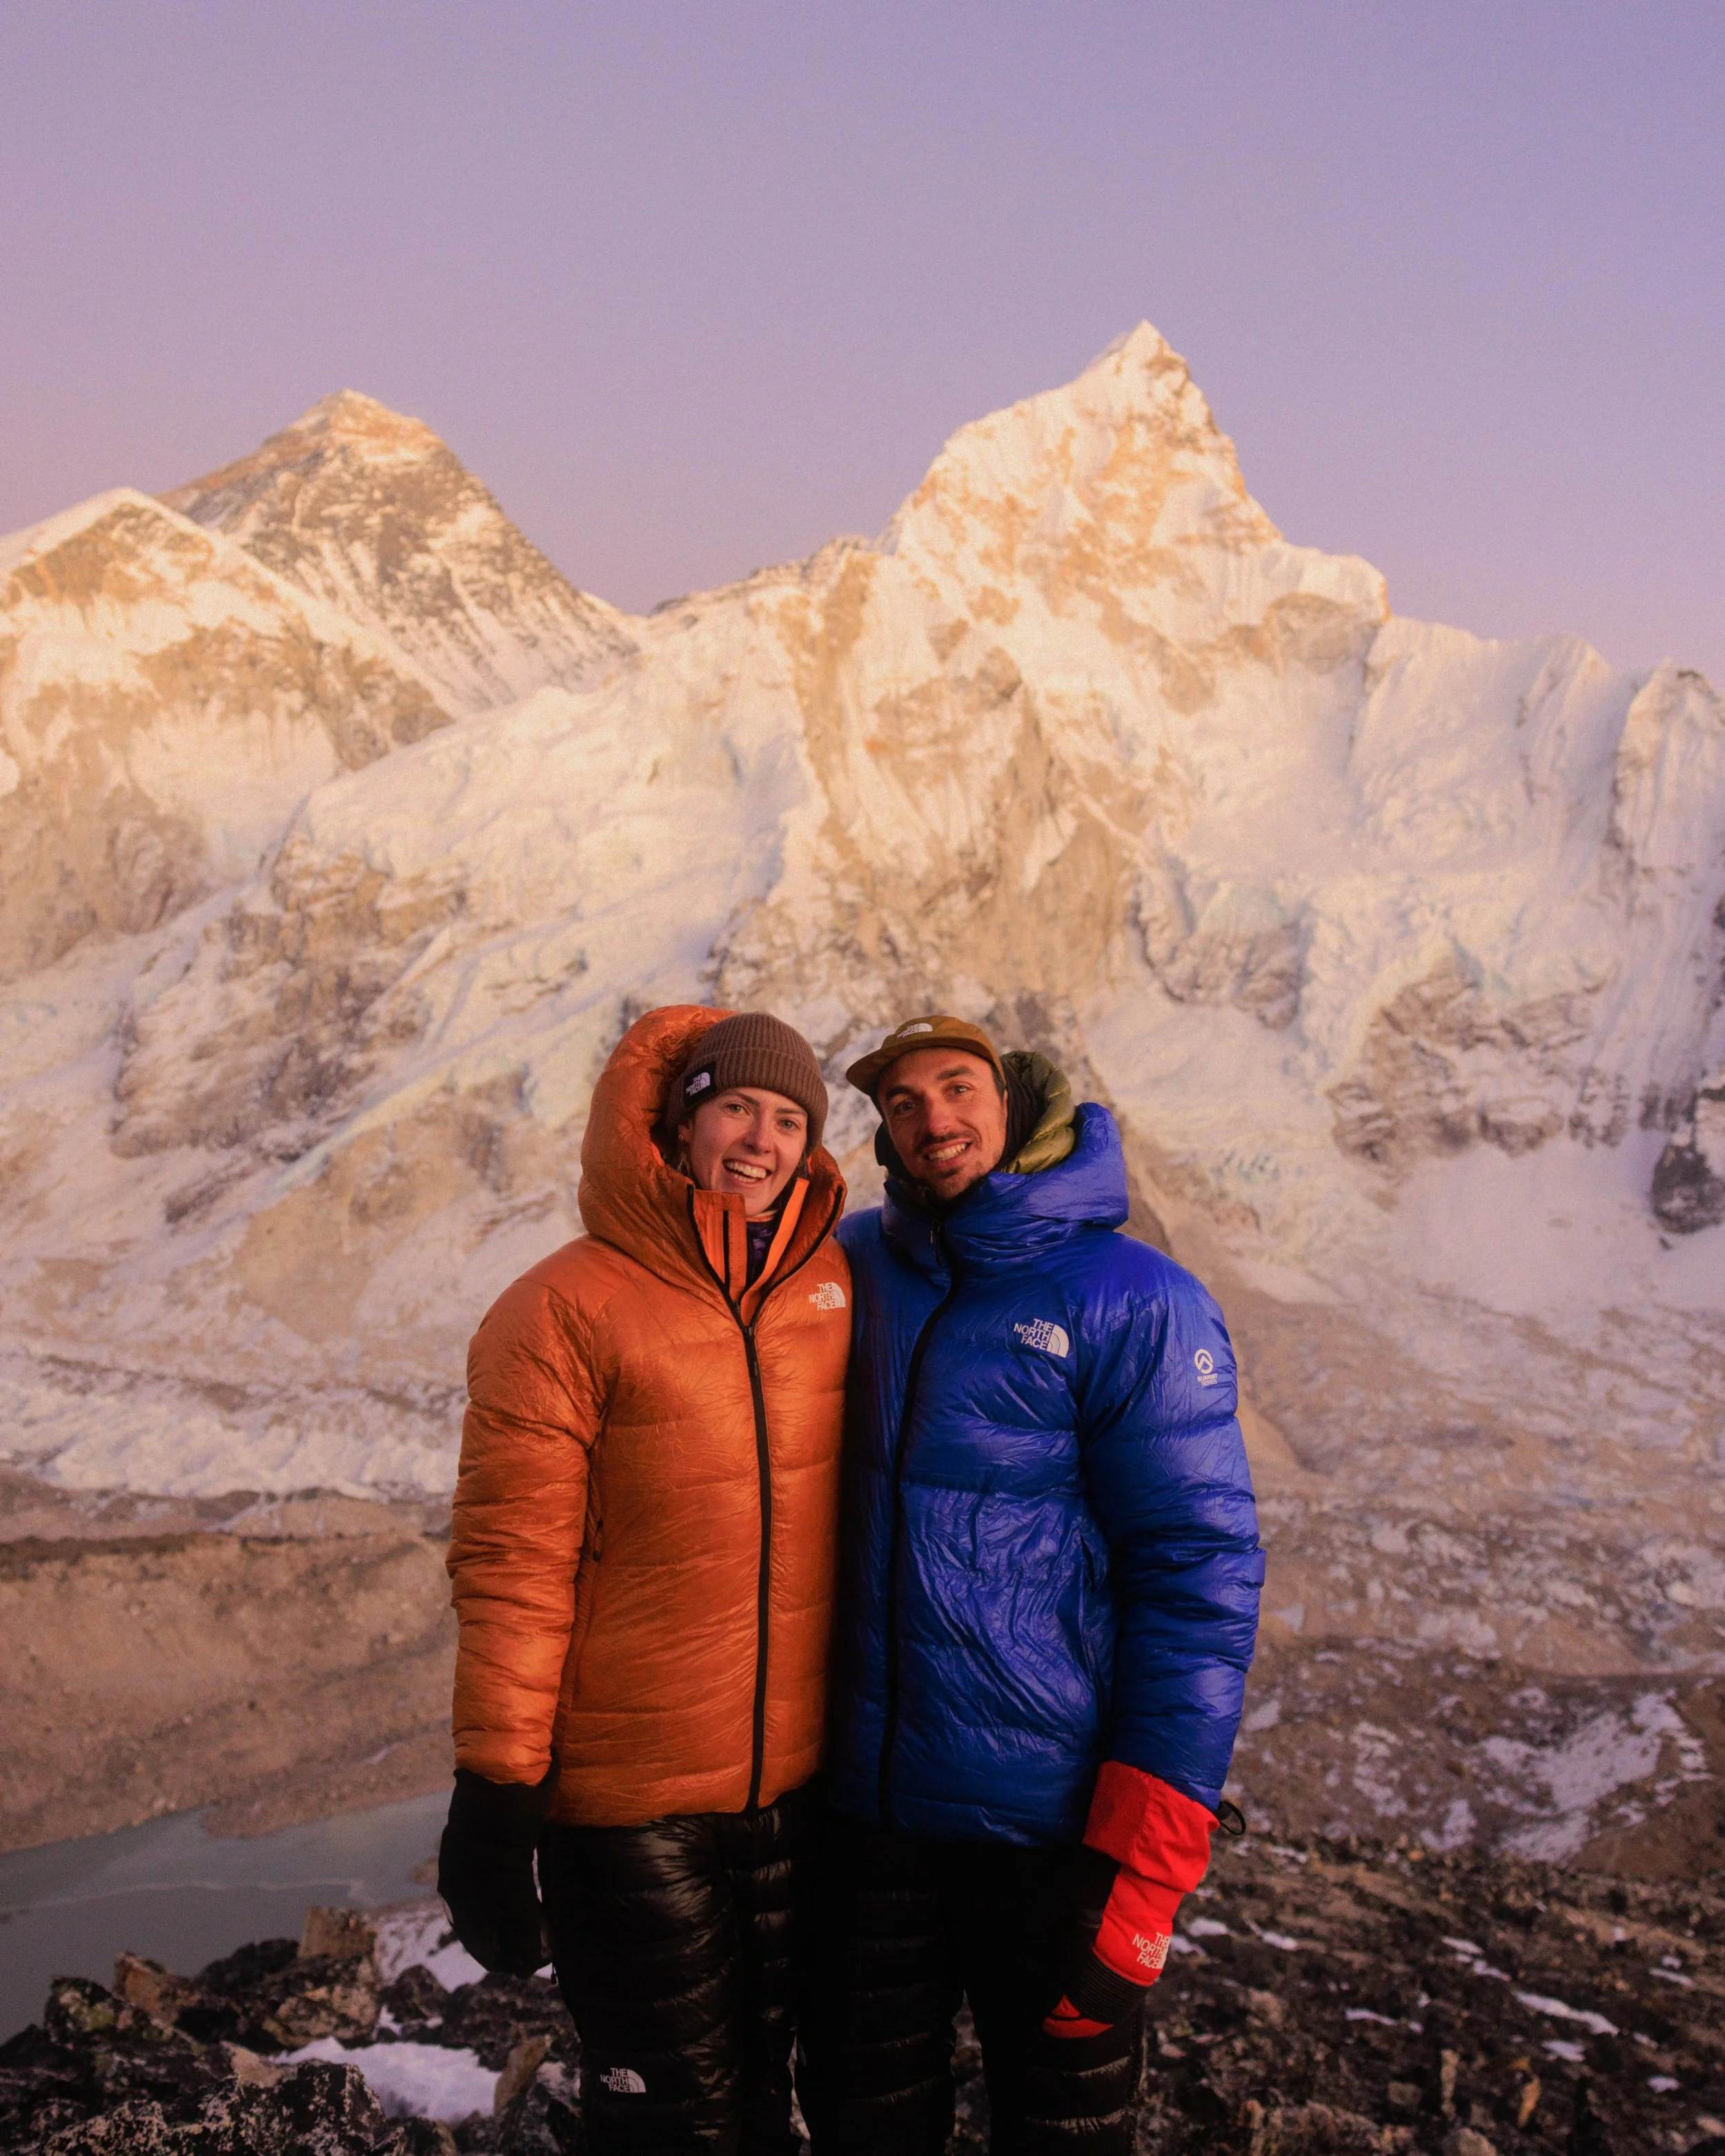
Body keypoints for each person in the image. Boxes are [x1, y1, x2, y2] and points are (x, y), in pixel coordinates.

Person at [798, 1016, 1263, 2156]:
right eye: (901, 1104)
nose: (931, 1119)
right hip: (869, 1827)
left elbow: (1197, 1573)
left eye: (956, 1088)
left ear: (1015, 1104)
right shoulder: (856, 1268)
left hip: (1049, 1836)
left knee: (1063, 2134)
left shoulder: (1134, 1298)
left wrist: (1142, 1871)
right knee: (864, 2129)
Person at [437, 1006, 850, 2155]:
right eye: (735, 1110)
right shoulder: (560, 1310)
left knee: (773, 2102)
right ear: (677, 1126)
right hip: (630, 1809)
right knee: (673, 2120)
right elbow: (515, 1572)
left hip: (797, 1797)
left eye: (786, 1118)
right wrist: (496, 1796)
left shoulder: (829, 1291)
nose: (761, 1141)